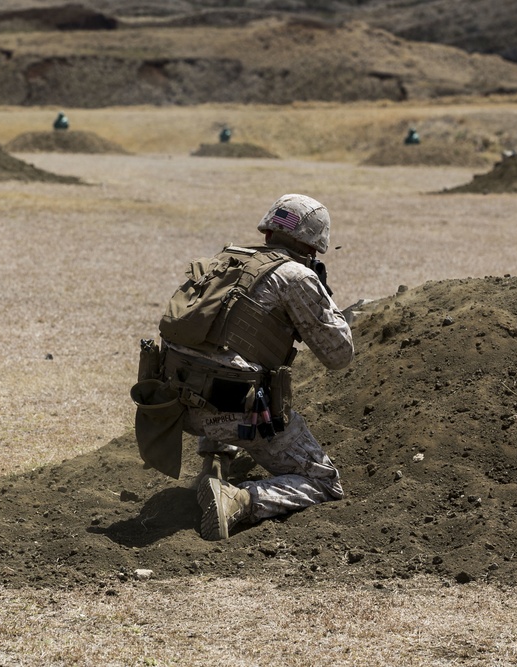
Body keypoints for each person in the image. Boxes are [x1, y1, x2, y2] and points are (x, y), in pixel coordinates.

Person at [133, 194, 354, 540]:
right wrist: (323, 296)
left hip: (173, 406)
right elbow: (339, 355)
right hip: (236, 413)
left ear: (267, 233)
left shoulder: (226, 259)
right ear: (313, 247)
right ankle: (240, 498)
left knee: (223, 359)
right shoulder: (296, 276)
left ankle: (215, 463)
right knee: (324, 483)